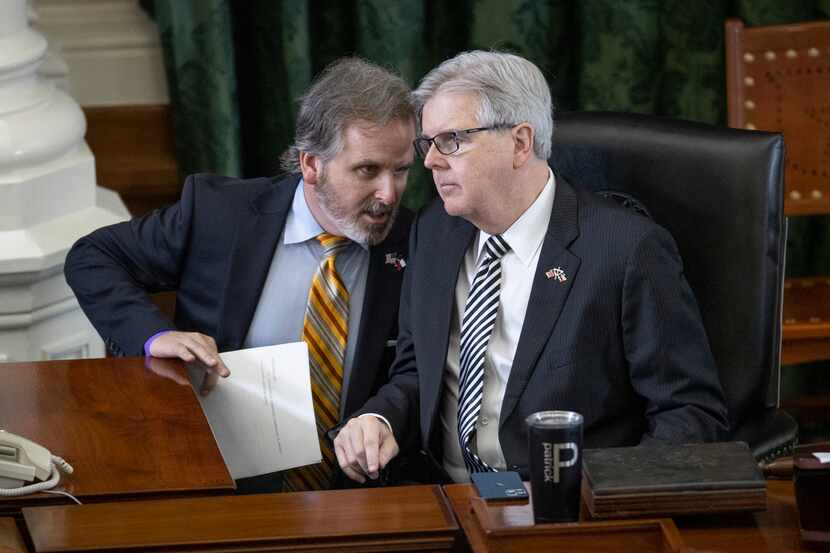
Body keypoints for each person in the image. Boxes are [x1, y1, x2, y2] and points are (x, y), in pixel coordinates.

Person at [334, 51, 729, 485]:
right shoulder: (433, 232)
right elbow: (416, 371)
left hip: (562, 505)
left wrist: (602, 500)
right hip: (440, 498)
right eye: (428, 144)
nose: (430, 162)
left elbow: (690, 413)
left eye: (452, 141)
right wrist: (379, 419)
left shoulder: (627, 250)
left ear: (521, 142)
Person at [64, 57, 416, 492]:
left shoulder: (416, 243)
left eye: (400, 170)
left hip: (355, 497)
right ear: (311, 165)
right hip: (215, 485)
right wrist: (156, 337)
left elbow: (416, 371)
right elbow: (92, 256)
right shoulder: (220, 215)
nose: (388, 193)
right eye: (368, 170)